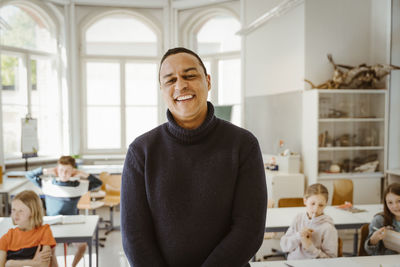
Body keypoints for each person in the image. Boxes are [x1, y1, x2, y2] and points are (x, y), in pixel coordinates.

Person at [121, 47, 267, 267]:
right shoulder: (141, 151)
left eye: (190, 75)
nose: (180, 85)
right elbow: (135, 236)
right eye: (170, 80)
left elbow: (249, 229)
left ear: (208, 81)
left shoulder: (243, 145)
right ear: (162, 90)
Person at [25, 156, 102, 267]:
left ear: (73, 171)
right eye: (61, 170)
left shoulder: (78, 185)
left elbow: (98, 183)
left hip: (72, 223)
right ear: (57, 169)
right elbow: (29, 175)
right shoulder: (48, 183)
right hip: (52, 224)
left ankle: (73, 265)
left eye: (67, 171)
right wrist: (46, 170)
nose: (64, 173)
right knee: (49, 250)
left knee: (82, 246)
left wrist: (81, 173)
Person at [280, 183, 338, 259]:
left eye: (321, 205)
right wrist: (299, 236)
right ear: (305, 201)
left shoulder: (328, 228)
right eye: (312, 203)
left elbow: (332, 260)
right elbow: (284, 246)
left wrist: (310, 247)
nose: (316, 209)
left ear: (325, 204)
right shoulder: (298, 218)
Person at [0, 190, 57, 267]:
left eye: (21, 211)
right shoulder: (8, 237)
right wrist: (33, 262)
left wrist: (11, 263)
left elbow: (44, 264)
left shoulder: (44, 231)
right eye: (13, 210)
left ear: (33, 212)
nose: (15, 214)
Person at [364, 183, 400, 255]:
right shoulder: (379, 220)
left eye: (399, 201)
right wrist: (373, 240)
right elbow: (369, 251)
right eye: (390, 202)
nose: (395, 206)